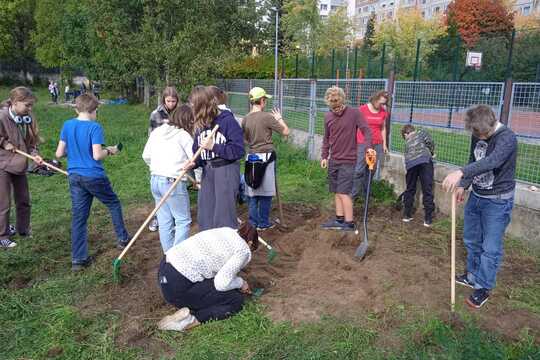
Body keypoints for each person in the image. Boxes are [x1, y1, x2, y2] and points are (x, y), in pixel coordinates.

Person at [443, 105, 517, 309]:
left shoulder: (507, 138)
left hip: (497, 200)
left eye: (484, 134)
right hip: (477, 195)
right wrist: (464, 184)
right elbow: (474, 159)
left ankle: (483, 287)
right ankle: (472, 275)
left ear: (492, 124)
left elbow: (492, 161)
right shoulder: (478, 132)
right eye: (477, 134)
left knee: (490, 247)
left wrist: (460, 172)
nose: (480, 137)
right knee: (471, 239)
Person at [55, 93, 130, 271]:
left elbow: (59, 153)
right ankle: (123, 238)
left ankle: (78, 259)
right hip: (93, 176)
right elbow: (97, 155)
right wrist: (110, 151)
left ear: (76, 108)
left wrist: (74, 151)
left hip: (74, 176)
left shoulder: (67, 125)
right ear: (94, 110)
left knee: (79, 217)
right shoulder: (94, 127)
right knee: (113, 203)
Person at [157, 222, 259, 332]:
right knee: (235, 299)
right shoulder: (243, 250)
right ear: (249, 243)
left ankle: (187, 306)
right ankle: (187, 321)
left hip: (164, 270)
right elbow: (221, 284)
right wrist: (241, 283)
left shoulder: (226, 230)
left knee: (213, 283)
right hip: (177, 287)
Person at [142, 104, 200, 252]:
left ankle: (169, 255)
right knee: (182, 220)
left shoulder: (157, 131)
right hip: (172, 182)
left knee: (164, 219)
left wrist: (158, 168)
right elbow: (193, 159)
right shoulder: (183, 135)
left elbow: (146, 156)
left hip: (155, 179)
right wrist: (190, 166)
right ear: (188, 121)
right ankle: (177, 258)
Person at [189, 85, 244, 231]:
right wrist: (193, 163)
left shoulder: (227, 122)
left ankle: (227, 250)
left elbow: (238, 150)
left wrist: (215, 146)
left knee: (224, 216)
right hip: (208, 171)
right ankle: (210, 250)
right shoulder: (202, 124)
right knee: (205, 215)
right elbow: (198, 151)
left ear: (207, 106)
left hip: (226, 170)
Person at [320, 86, 372, 231]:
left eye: (338, 106)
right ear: (328, 103)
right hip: (334, 160)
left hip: (348, 160)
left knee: (344, 192)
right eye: (333, 107)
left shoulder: (354, 113)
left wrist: (368, 147)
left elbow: (367, 131)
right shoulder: (327, 116)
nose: (336, 110)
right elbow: (326, 138)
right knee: (336, 190)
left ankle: (349, 223)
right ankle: (339, 219)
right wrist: (324, 156)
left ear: (343, 100)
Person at [0, 87, 43, 248]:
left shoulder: (27, 118)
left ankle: (23, 229)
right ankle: (2, 235)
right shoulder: (2, 116)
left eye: (31, 105)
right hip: (2, 164)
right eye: (27, 105)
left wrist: (35, 153)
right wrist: (4, 143)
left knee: (24, 199)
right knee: (3, 203)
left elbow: (32, 141)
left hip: (19, 164)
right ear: (16, 103)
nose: (30, 109)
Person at [242, 87, 289, 230]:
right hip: (267, 157)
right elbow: (286, 132)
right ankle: (263, 223)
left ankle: (253, 223)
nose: (265, 102)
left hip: (251, 157)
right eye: (265, 100)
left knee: (252, 189)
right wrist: (279, 118)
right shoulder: (267, 117)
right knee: (266, 192)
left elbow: (244, 139)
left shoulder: (245, 119)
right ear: (262, 100)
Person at [147, 87, 180, 232]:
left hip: (176, 154)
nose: (171, 104)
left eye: (174, 101)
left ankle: (171, 218)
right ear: (163, 100)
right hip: (160, 154)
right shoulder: (156, 114)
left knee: (173, 189)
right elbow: (153, 136)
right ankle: (157, 219)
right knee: (161, 190)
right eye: (169, 101)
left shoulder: (179, 112)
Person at [352, 90, 390, 199]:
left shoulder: (382, 112)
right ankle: (353, 194)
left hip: (375, 144)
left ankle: (365, 193)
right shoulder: (362, 110)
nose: (383, 105)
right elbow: (355, 125)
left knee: (371, 169)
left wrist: (384, 145)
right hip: (363, 143)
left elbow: (383, 128)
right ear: (375, 99)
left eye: (384, 103)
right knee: (359, 170)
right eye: (381, 103)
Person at [400, 124, 435, 227]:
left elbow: (406, 158)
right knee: (427, 189)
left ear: (407, 133)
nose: (406, 139)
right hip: (425, 161)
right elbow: (431, 143)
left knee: (410, 188)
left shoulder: (407, 142)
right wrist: (432, 153)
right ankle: (428, 219)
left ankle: (407, 215)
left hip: (411, 164)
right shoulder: (423, 132)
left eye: (404, 136)